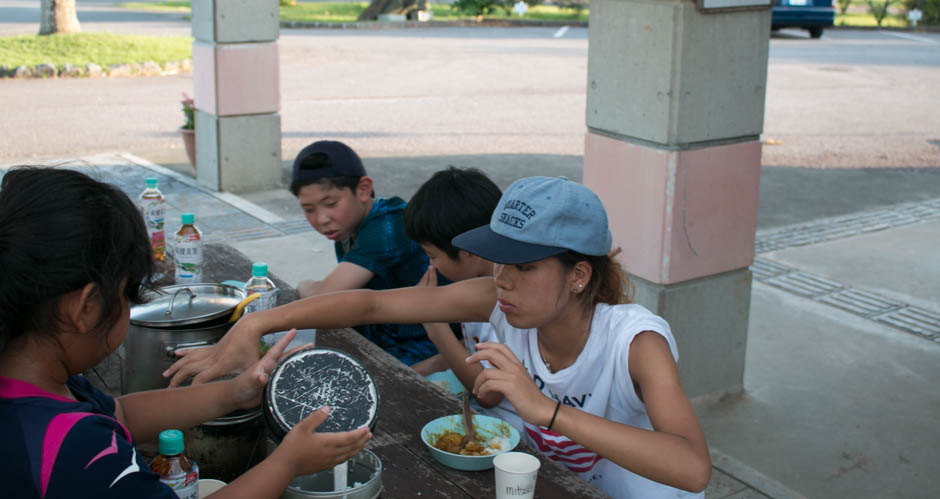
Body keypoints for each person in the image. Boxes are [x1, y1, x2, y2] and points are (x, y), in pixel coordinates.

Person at [167, 175, 711, 498]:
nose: (502, 280)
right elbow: (373, 302)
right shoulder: (497, 301)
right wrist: (259, 321)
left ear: (578, 275)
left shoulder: (636, 342)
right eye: (498, 261)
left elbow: (692, 466)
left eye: (524, 267)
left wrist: (544, 410)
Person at [0, 167, 371, 499]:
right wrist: (286, 463)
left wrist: (234, 392)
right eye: (127, 294)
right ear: (86, 307)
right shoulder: (80, 452)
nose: (127, 310)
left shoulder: (39, 381)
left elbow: (123, 413)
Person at [288, 140, 438, 370]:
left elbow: (321, 296)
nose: (321, 219)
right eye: (309, 209)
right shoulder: (349, 227)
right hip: (382, 336)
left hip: (422, 347)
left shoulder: (388, 227)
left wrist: (306, 285)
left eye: (331, 203)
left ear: (364, 189)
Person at [403, 166, 506, 409]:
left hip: (508, 429)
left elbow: (488, 394)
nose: (432, 265)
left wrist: (433, 322)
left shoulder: (508, 302)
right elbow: (469, 349)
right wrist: (416, 371)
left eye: (433, 256)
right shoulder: (477, 285)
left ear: (470, 252)